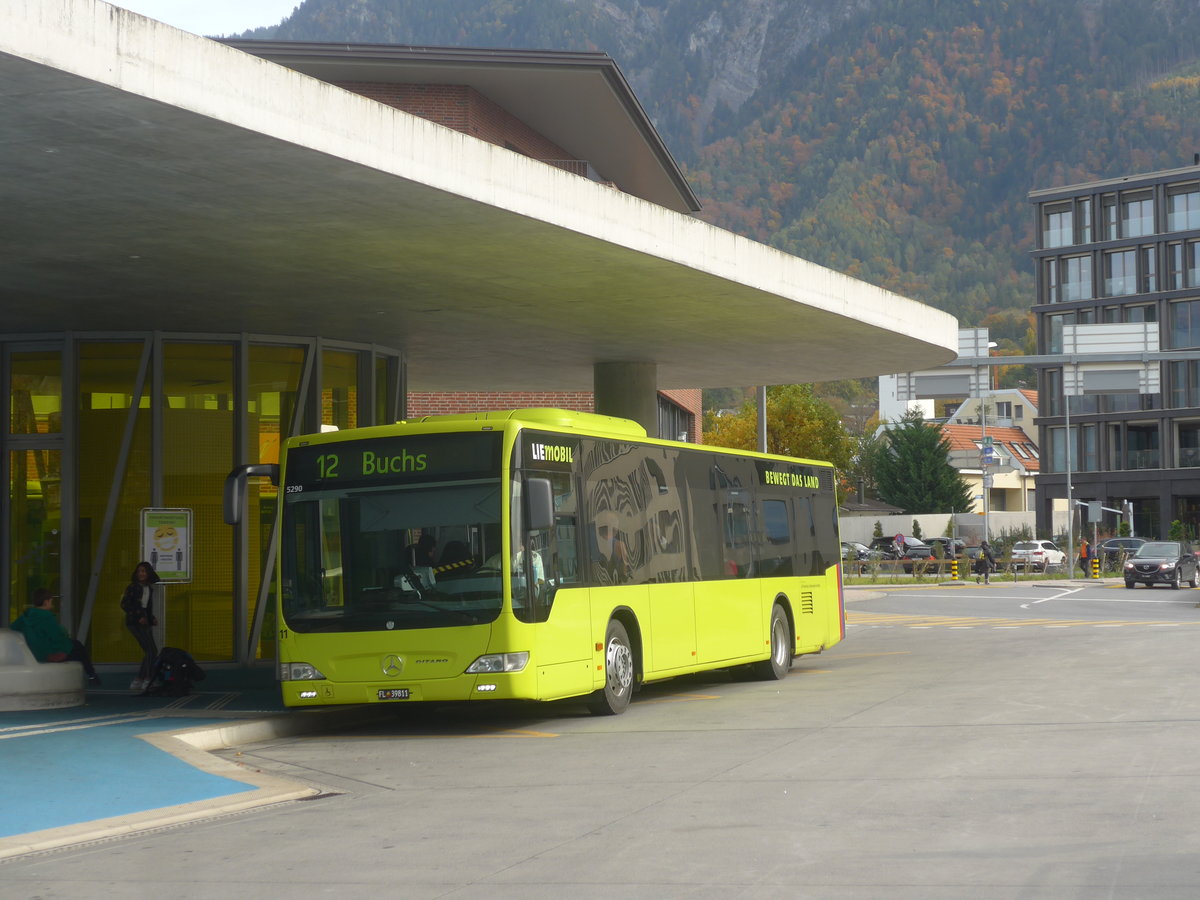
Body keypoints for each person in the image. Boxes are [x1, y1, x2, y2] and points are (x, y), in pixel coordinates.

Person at [11, 587, 101, 684]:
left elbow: (13, 628)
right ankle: (92, 675)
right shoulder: (47, 617)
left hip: (32, 653)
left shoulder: (25, 616)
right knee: (78, 646)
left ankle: (91, 675)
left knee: (75, 646)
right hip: (48, 654)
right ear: (46, 602)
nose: (52, 603)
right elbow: (57, 638)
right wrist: (65, 641)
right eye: (51, 601)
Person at [122, 561, 160, 692]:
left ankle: (139, 679)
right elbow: (125, 604)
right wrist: (139, 617)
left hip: (144, 620)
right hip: (135, 622)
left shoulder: (149, 588)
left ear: (148, 573)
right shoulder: (133, 587)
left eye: (144, 571)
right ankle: (148, 678)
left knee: (149, 651)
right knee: (152, 650)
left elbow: (147, 607)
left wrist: (151, 617)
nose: (141, 574)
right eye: (139, 571)